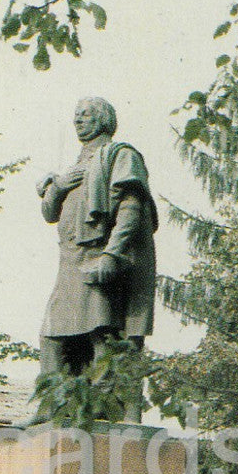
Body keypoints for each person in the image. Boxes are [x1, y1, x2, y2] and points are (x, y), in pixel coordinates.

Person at [36, 97, 158, 422]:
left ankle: (108, 410)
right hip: (71, 261)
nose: (77, 120)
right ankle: (50, 408)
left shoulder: (120, 155)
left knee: (102, 333)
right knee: (51, 335)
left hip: (99, 258)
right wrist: (58, 187)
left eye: (85, 115)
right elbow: (49, 213)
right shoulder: (74, 165)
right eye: (75, 116)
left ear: (103, 119)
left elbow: (132, 207)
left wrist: (111, 254)